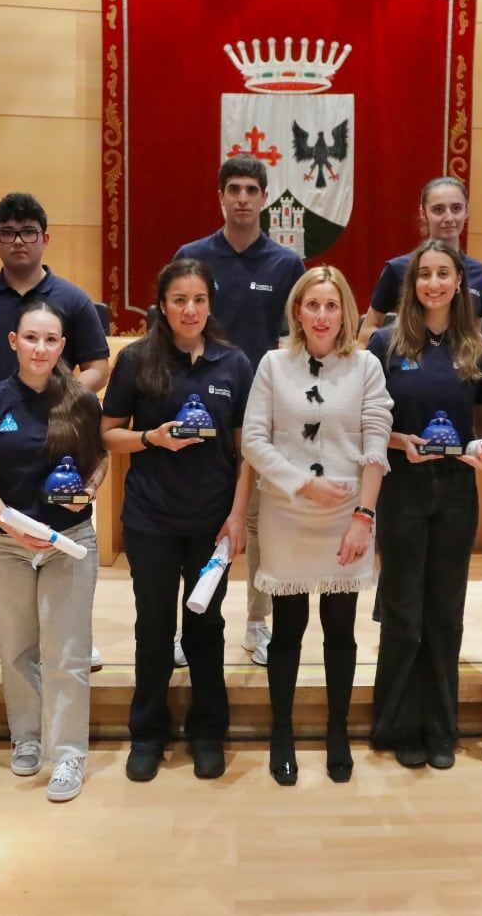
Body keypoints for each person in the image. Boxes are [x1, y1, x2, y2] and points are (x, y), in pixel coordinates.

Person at [0, 193, 111, 673]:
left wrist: (56, 402)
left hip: (57, 443)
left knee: (65, 527)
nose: (18, 241)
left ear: (45, 238)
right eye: (8, 233)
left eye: (28, 232)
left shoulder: (73, 299)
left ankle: (76, 630)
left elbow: (97, 365)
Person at [102, 259, 253, 784]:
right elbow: (108, 434)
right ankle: (148, 732)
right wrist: (151, 438)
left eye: (199, 300)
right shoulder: (138, 359)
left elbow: (246, 450)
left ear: (210, 304)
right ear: (162, 305)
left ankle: (208, 731)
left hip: (213, 521)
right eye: (179, 300)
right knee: (154, 626)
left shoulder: (233, 364)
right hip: (151, 518)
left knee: (207, 626)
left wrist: (238, 516)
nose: (189, 310)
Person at [242, 266, 392, 785]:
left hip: (348, 518)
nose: (322, 316)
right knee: (287, 632)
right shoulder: (272, 365)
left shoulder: (367, 366)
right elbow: (254, 441)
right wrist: (302, 484)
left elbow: (376, 443)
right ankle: (281, 731)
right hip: (287, 511)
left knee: (340, 632)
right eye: (312, 305)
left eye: (332, 306)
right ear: (297, 312)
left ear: (345, 311)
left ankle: (336, 731)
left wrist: (363, 518)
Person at [0, 297, 107, 802]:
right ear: (13, 342)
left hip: (68, 542)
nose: (40, 348)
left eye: (50, 340)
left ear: (63, 347)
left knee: (66, 652)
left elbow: (99, 463)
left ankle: (68, 755)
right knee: (18, 648)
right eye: (31, 338)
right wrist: (8, 521)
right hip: (3, 545)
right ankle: (27, 736)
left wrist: (92, 488)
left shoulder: (83, 401)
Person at [367, 239, 482, 770]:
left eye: (444, 273)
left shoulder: (477, 347)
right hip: (401, 490)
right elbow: (371, 425)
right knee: (403, 613)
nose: (434, 283)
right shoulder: (384, 344)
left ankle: (441, 727)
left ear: (459, 282)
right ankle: (397, 724)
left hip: (456, 495)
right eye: (425, 274)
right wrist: (403, 443)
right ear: (412, 284)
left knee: (445, 613)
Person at [175, 156, 306, 667]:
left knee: (259, 524)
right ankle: (189, 626)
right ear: (221, 196)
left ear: (265, 197)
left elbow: (292, 343)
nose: (244, 198)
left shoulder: (286, 264)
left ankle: (257, 621)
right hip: (201, 410)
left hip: (263, 413)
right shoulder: (193, 256)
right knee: (198, 519)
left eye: (253, 189)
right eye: (235, 189)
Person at [356, 176, 482, 345]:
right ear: (423, 213)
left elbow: (474, 336)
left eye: (456, 208)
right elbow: (367, 332)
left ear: (467, 211)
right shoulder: (398, 268)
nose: (449, 217)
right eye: (438, 210)